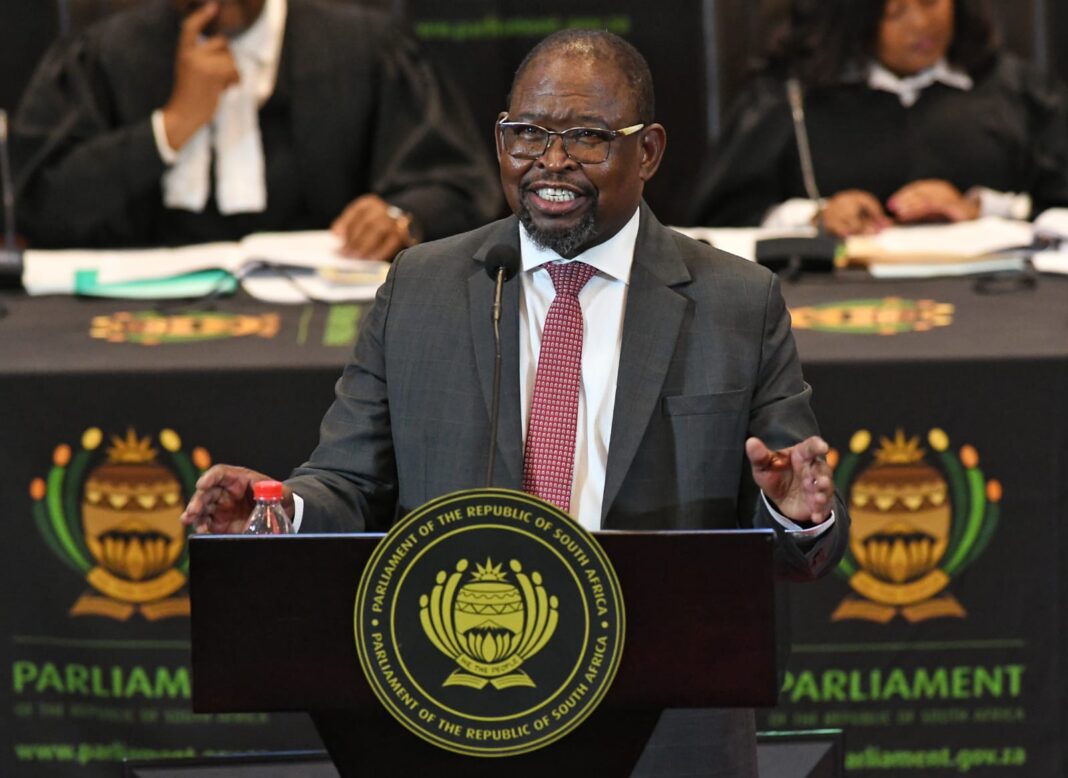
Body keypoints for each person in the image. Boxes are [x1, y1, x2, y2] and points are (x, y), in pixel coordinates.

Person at [181, 29, 849, 777]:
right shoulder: (421, 287)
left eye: (588, 137)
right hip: (457, 700)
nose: (551, 161)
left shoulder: (737, 302)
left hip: (663, 718)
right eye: (527, 133)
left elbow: (795, 530)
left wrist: (794, 514)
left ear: (649, 151)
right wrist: (274, 512)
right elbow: (348, 482)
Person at [11, 0, 499, 259]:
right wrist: (171, 126)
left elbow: (458, 182)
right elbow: (41, 206)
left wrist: (401, 217)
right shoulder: (105, 56)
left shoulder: (363, 47)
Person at [688, 0, 1068, 237]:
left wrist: (984, 207)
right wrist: (815, 217)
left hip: (997, 300)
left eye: (931, 2)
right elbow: (721, 219)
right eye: (894, 12)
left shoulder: (1017, 89)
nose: (920, 24)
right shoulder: (788, 97)